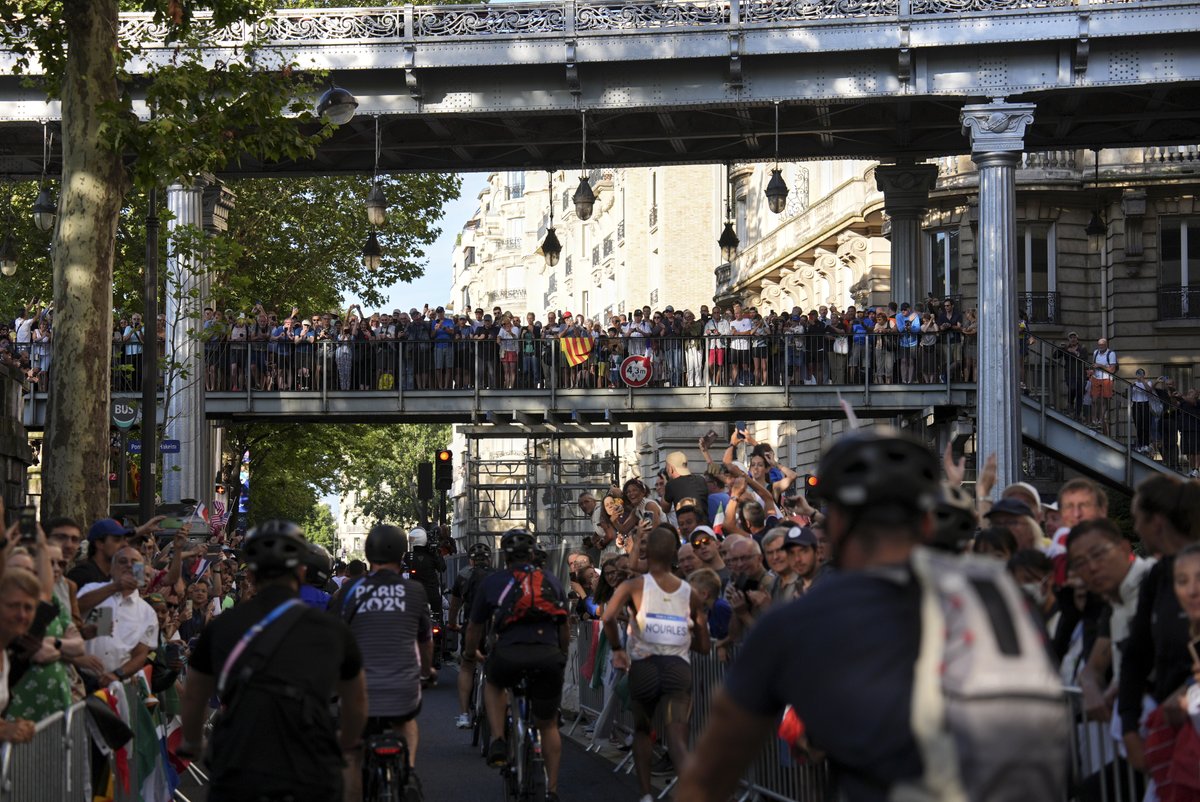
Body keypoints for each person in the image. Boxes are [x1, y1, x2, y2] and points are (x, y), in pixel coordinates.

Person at [677, 429, 1064, 802]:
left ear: (837, 524)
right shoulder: (1003, 596)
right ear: (927, 521)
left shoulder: (802, 619)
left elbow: (710, 772)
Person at [178, 520, 368, 802]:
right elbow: (356, 701)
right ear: (302, 571)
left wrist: (193, 741)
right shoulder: (331, 628)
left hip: (240, 764)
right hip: (309, 764)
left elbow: (194, 696)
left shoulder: (222, 627)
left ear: (251, 574)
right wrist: (347, 741)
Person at [601, 526, 710, 802]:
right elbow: (704, 645)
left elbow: (608, 617)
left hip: (645, 667)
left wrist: (617, 649)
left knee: (642, 731)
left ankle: (646, 794)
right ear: (674, 554)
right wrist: (681, 639)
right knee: (677, 738)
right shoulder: (691, 592)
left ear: (647, 553)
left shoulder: (633, 586)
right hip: (677, 669)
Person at [464, 529, 568, 802]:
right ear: (533, 554)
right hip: (547, 655)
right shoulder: (551, 581)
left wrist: (470, 651)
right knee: (548, 726)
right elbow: (564, 625)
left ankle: (498, 739)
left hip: (508, 654)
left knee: (494, 683)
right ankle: (552, 789)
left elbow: (475, 626)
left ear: (504, 556)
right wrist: (562, 654)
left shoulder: (494, 581)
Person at [340, 524, 433, 800]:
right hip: (403, 688)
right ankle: (409, 774)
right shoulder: (415, 591)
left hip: (360, 691)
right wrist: (427, 671)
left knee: (353, 754)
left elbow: (338, 639)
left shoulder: (351, 592)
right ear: (402, 555)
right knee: (407, 722)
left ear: (368, 554)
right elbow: (426, 640)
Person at [79, 545, 158, 686]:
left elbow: (140, 655)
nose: (128, 565)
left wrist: (117, 674)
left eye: (134, 563)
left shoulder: (148, 612)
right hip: (82, 679)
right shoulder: (92, 589)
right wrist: (116, 586)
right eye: (122, 561)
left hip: (117, 685)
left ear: (141, 571)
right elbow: (77, 607)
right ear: (112, 568)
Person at [448, 542, 495, 729]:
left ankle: (464, 714)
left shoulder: (463, 576)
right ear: (490, 559)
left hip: (471, 627)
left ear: (470, 560)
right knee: (496, 668)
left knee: (467, 666)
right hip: (493, 629)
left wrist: (452, 624)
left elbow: (454, 606)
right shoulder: (498, 576)